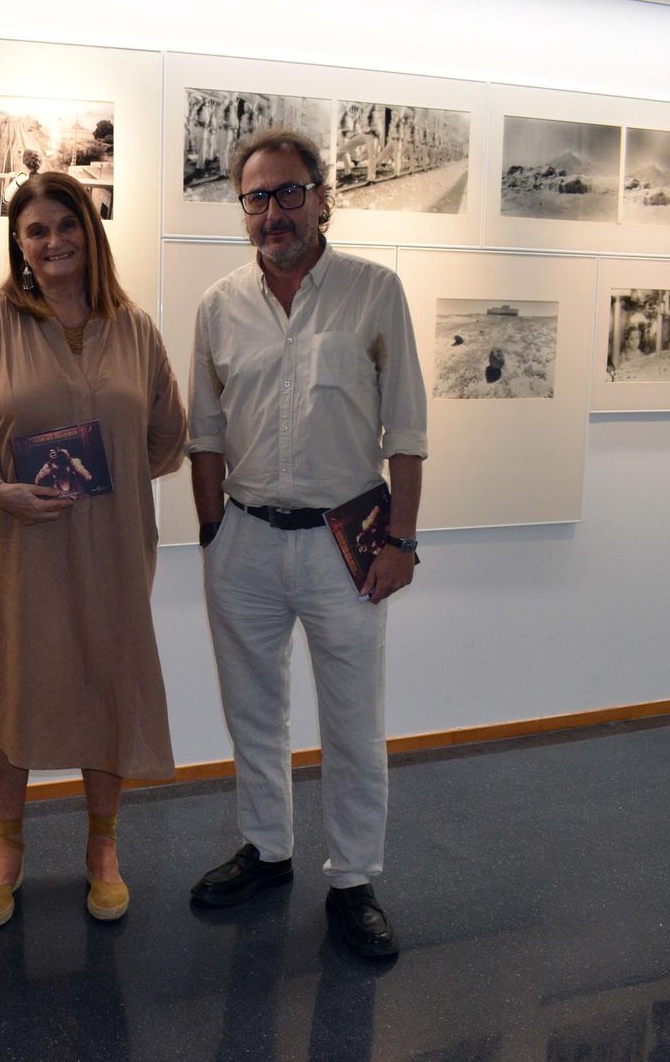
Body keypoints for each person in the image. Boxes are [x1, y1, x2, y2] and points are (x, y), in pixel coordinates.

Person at [185, 127, 428, 959]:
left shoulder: (374, 291)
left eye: (290, 192)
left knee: (354, 722)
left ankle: (354, 879)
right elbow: (204, 433)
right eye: (257, 197)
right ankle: (268, 849)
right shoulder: (219, 306)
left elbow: (411, 433)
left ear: (324, 197)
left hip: (344, 543)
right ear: (242, 210)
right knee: (254, 712)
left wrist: (402, 541)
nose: (274, 211)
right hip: (247, 543)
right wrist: (213, 533)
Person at [0, 171, 187, 927]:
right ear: (18, 243)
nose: (53, 242)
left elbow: (168, 436)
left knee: (105, 681)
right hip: (14, 545)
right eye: (35, 231)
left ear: (90, 229)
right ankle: (7, 847)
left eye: (65, 225)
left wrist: (101, 477)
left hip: (109, 550)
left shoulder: (135, 327)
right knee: (11, 679)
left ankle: (102, 849)